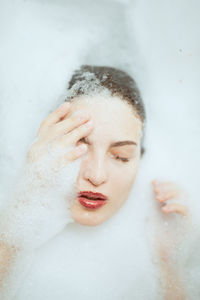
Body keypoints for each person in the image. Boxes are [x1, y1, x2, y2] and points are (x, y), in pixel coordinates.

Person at [0, 65, 189, 299]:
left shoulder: (150, 254)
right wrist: (13, 231)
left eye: (121, 156)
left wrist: (167, 262)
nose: (97, 175)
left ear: (140, 160)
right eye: (78, 145)